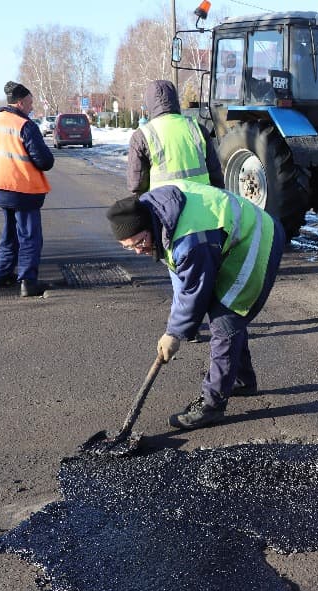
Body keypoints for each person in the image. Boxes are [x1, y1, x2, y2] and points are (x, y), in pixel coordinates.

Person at [105, 179, 283, 429]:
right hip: (227, 238)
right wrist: (175, 327)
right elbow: (183, 280)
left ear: (147, 226)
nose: (137, 251)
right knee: (221, 313)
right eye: (129, 248)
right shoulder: (156, 214)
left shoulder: (190, 240)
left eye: (138, 243)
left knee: (226, 319)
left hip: (258, 238)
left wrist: (175, 333)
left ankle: (212, 406)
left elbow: (195, 291)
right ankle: (242, 381)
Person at [0, 81, 54, 297]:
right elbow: (44, 161)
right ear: (20, 103)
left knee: (9, 231)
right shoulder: (24, 125)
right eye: (30, 103)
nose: (32, 108)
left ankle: (2, 274)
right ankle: (28, 281)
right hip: (23, 187)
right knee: (30, 236)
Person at [126, 79, 224, 196]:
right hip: (203, 207)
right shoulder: (198, 129)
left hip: (165, 209)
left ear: (149, 104)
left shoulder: (142, 136)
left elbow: (136, 185)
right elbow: (216, 177)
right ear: (175, 101)